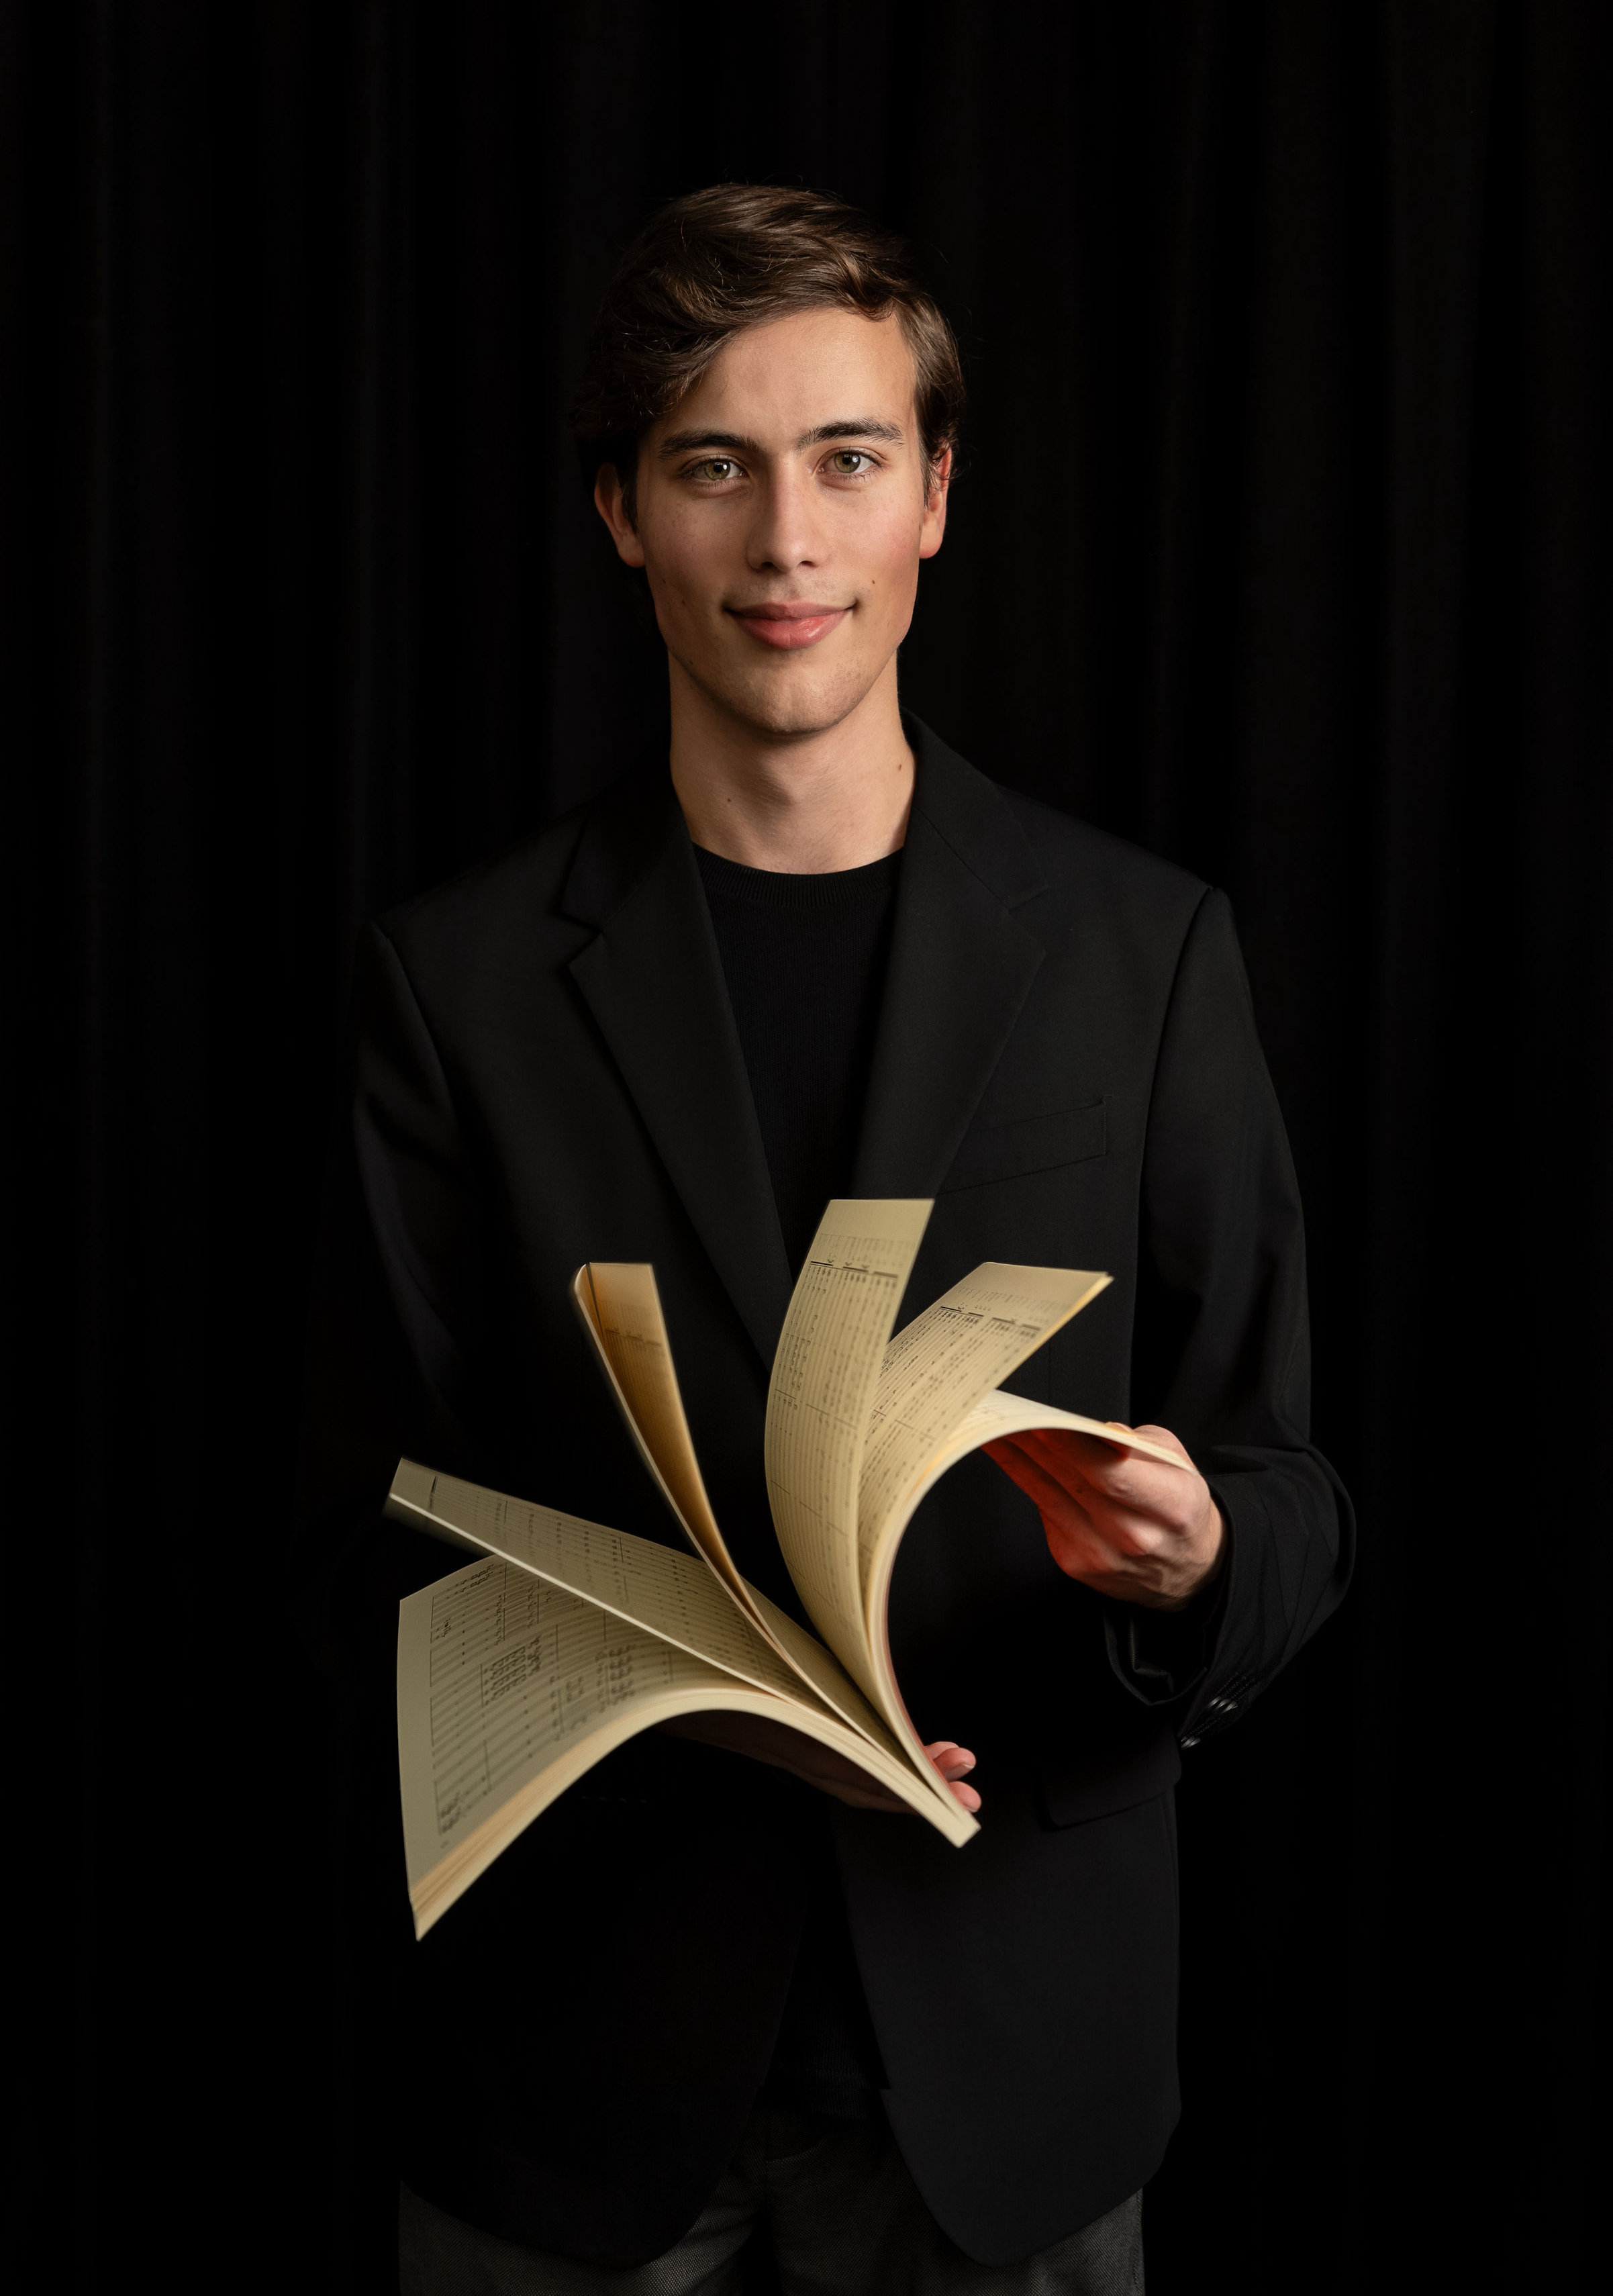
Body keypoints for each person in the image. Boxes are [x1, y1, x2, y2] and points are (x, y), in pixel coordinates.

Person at [300, 183, 1353, 2295]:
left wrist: (1198, 1561)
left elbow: (1292, 1491)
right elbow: (381, 1527)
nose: (787, 537)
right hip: (574, 2067)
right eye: (715, 464)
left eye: (847, 458)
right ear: (622, 512)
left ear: (935, 497)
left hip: (1010, 2066)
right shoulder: (458, 983)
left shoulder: (1144, 957)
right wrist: (702, 1709)